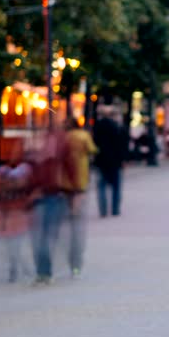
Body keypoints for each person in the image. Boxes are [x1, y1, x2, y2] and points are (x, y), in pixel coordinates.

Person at [28, 130, 75, 285]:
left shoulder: (59, 159)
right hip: (38, 199)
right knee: (38, 238)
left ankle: (45, 272)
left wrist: (71, 194)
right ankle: (41, 271)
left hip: (55, 198)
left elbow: (71, 174)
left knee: (46, 237)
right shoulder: (36, 158)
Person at [62, 118, 97, 277]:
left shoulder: (64, 137)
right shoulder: (83, 135)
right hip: (80, 169)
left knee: (69, 191)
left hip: (65, 174)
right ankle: (75, 210)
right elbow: (92, 149)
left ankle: (70, 208)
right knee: (79, 190)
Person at [93, 106, 127, 218]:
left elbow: (94, 143)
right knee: (116, 186)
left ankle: (103, 210)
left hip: (101, 160)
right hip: (115, 160)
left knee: (102, 185)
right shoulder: (116, 127)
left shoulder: (97, 127)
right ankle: (115, 209)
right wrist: (122, 159)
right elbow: (121, 145)